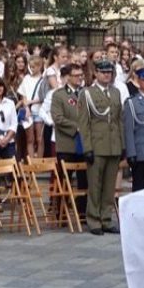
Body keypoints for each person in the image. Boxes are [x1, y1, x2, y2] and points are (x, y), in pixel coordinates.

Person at [77, 59, 123, 235]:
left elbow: (119, 120)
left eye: (109, 72)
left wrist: (122, 145)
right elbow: (84, 123)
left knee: (109, 186)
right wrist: (87, 148)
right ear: (95, 73)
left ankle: (106, 218)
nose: (107, 75)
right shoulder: (87, 93)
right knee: (95, 186)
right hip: (97, 145)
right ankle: (94, 219)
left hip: (113, 145)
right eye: (103, 72)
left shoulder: (116, 92)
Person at [51, 63, 87, 212]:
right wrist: (76, 127)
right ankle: (60, 212)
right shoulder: (59, 95)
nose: (79, 78)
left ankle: (82, 212)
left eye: (81, 75)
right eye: (76, 75)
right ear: (68, 77)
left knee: (84, 180)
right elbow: (58, 118)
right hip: (67, 144)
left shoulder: (85, 93)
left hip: (85, 144)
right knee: (63, 179)